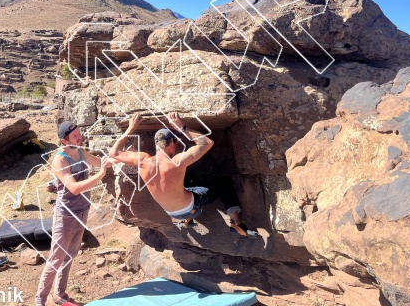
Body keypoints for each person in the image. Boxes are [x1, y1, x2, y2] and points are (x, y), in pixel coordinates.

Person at [109, 112, 259, 238]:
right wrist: (182, 127)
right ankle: (237, 224)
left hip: (170, 212)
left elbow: (114, 153)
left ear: (156, 144)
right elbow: (207, 143)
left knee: (187, 179)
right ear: (172, 143)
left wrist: (130, 128)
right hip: (192, 207)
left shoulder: (142, 160)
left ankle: (187, 220)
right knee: (223, 183)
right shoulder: (176, 162)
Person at [35, 121, 110, 306]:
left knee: (70, 255)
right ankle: (40, 300)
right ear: (64, 140)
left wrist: (120, 157)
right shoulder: (60, 160)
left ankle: (59, 294)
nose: (80, 136)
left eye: (79, 133)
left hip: (82, 211)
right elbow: (74, 188)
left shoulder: (81, 151)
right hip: (66, 215)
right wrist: (101, 174)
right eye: (75, 135)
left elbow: (100, 161)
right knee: (55, 259)